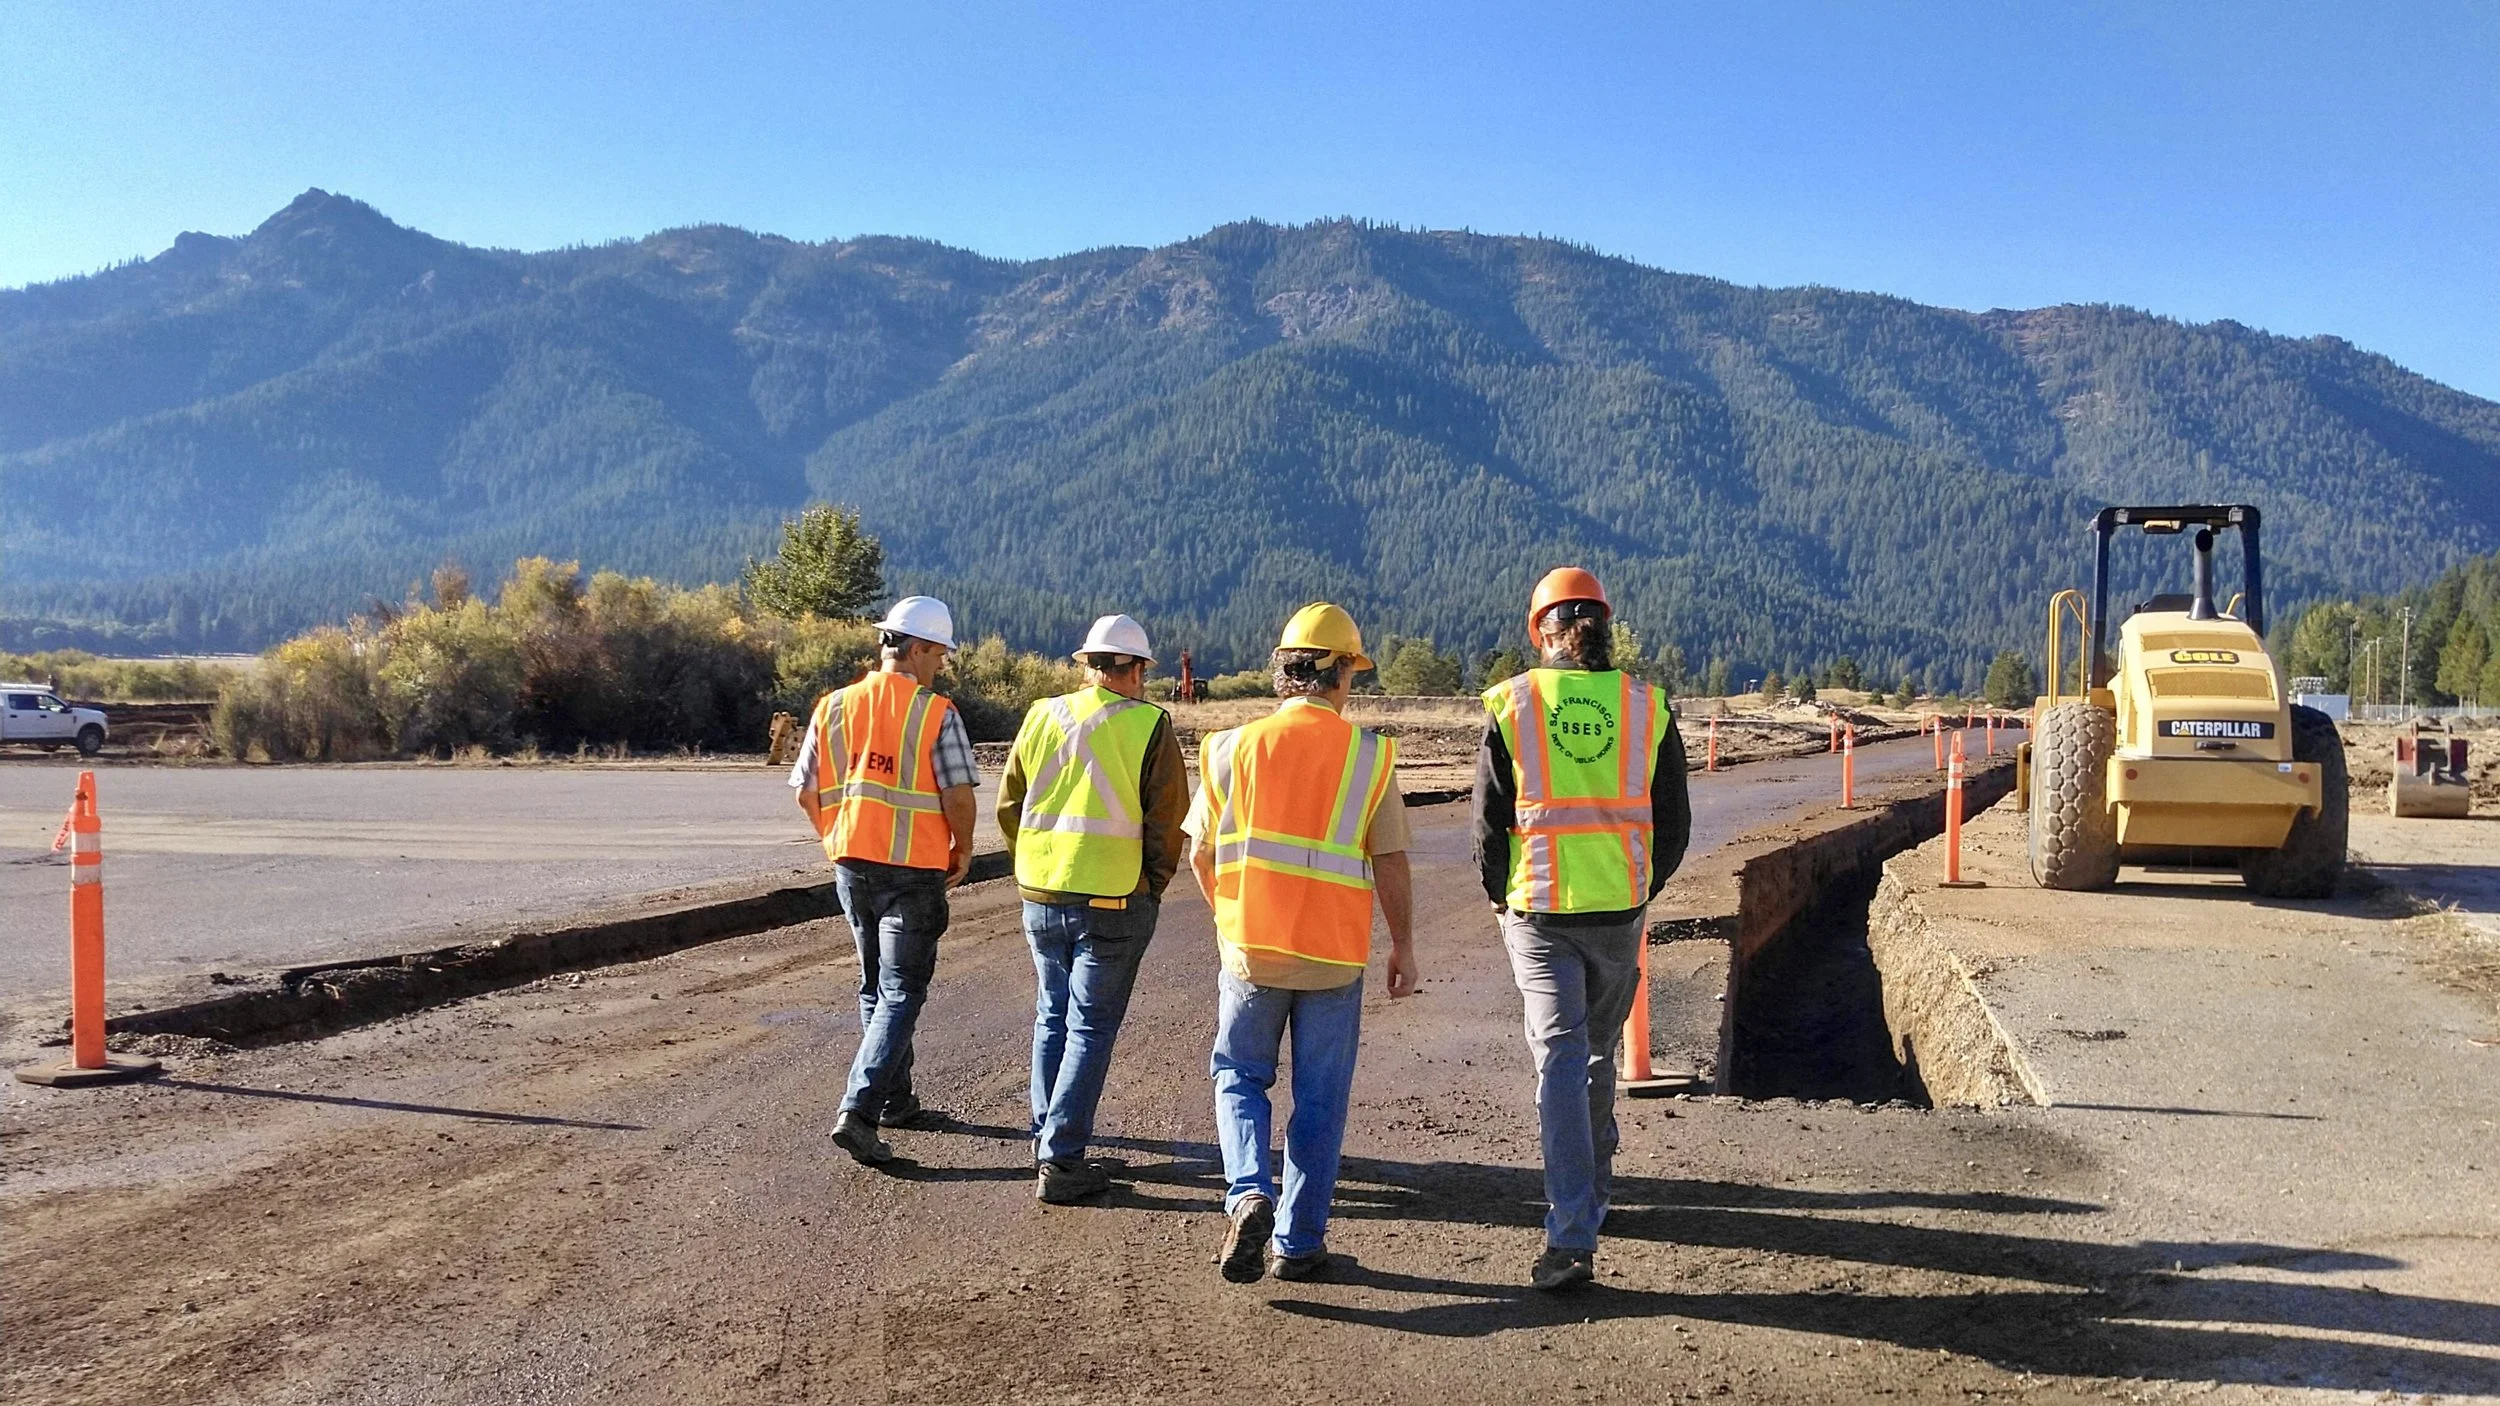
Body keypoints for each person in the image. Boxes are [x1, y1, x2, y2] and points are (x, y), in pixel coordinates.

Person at [1186, 603, 1419, 1284]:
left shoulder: (1229, 748)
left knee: (1239, 1076)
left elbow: (1199, 855)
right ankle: (1299, 1241)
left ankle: (1247, 1193)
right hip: (1335, 958)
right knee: (1320, 1097)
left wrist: (1230, 920)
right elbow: (1392, 861)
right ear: (1340, 673)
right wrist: (1404, 945)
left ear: (1284, 672)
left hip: (1252, 950)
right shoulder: (1370, 758)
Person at [1473, 568, 1691, 1291]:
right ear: (1602, 628)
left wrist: (1501, 898)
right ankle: (1592, 1195)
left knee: (1562, 1064)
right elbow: (1675, 824)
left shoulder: (1513, 704)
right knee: (1592, 1057)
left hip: (1539, 912)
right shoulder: (1646, 707)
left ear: (1542, 632)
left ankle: (1571, 1237)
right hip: (1617, 913)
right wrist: (1638, 887)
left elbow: (1488, 824)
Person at [996, 614, 1189, 1204]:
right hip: (1113, 896)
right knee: (1089, 1027)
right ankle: (1061, 1158)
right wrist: (1152, 886)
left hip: (1042, 891)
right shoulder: (1150, 726)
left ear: (1088, 666)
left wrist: (1033, 862)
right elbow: (1167, 821)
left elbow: (1010, 805)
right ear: (1132, 670)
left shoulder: (1041, 715)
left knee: (1052, 1015)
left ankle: (1045, 1137)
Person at [791, 595, 981, 1166]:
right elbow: (957, 794)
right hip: (914, 870)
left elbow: (805, 790)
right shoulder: (935, 712)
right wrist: (963, 846)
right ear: (918, 648)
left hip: (852, 864)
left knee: (875, 985)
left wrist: (836, 837)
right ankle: (860, 1109)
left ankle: (896, 1099)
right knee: (901, 989)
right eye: (940, 652)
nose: (942, 663)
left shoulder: (833, 706)